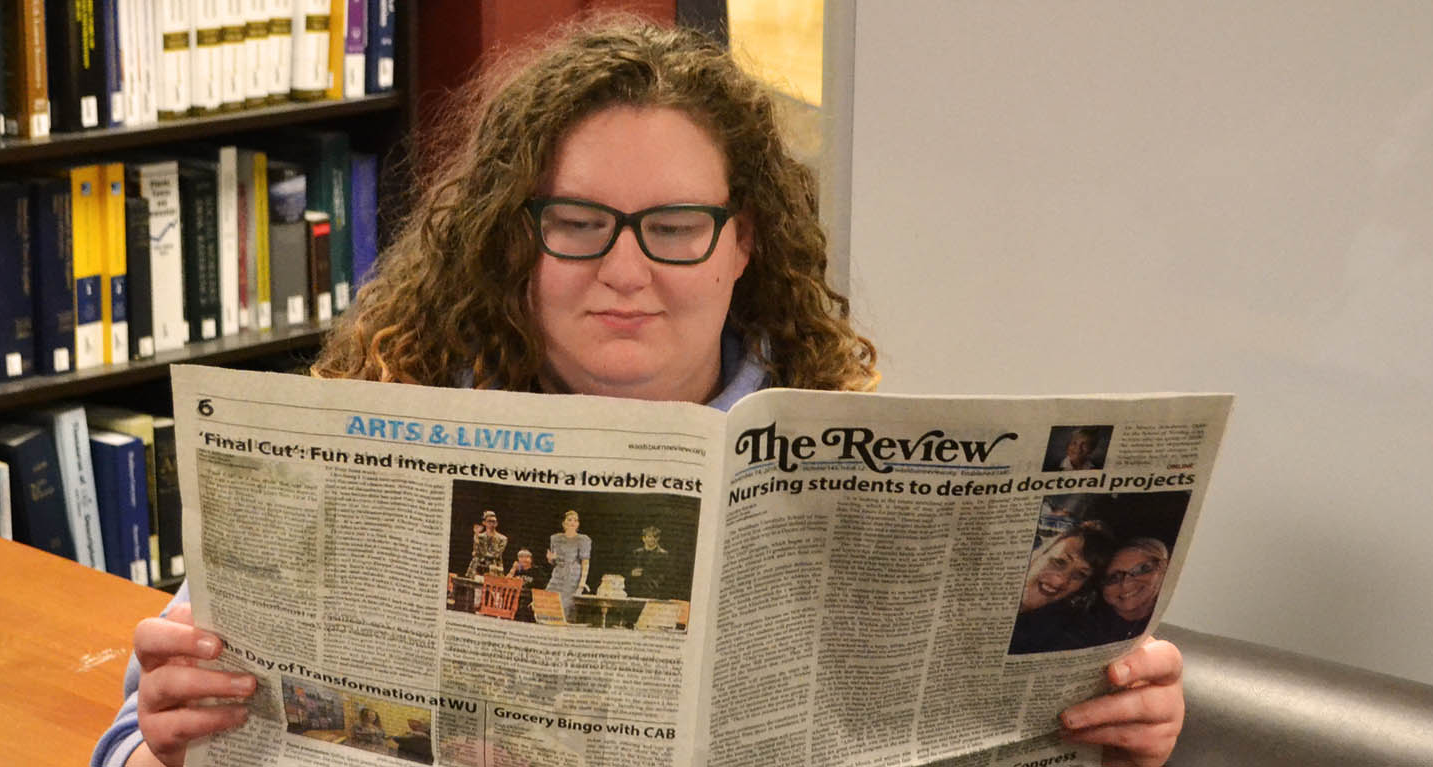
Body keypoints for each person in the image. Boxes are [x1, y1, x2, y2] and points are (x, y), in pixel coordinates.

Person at [103, 18, 1184, 767]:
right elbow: (132, 732)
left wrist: (1117, 728)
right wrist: (163, 736)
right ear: (514, 240)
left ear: (741, 243)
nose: (624, 269)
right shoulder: (389, 413)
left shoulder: (845, 447)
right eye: (578, 221)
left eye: (673, 225)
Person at [1009, 521, 1117, 654]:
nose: (1060, 581)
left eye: (1080, 575)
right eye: (1059, 562)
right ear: (1039, 553)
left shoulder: (1057, 633)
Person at [1067, 538, 1170, 648]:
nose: (1126, 584)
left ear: (1162, 568)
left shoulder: (1171, 619)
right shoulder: (1082, 627)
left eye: (1141, 569)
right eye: (1113, 578)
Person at [546, 510, 593, 620]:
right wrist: (551, 559)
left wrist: (581, 584)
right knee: (549, 605)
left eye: (576, 520)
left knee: (565, 609)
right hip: (557, 575)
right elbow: (554, 561)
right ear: (563, 523)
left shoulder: (583, 540)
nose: (573, 522)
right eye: (570, 520)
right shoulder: (555, 538)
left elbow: (585, 563)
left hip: (572, 577)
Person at [625, 525, 675, 599]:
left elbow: (666, 575)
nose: (652, 539)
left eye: (655, 537)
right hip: (635, 592)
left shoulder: (664, 555)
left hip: (654, 593)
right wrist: (631, 573)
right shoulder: (636, 553)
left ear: (658, 539)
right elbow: (627, 571)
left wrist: (654, 584)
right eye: (649, 536)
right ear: (643, 538)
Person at [465, 509, 509, 577]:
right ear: (484, 522)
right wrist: (476, 536)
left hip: (494, 566)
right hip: (478, 565)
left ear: (496, 523)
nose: (491, 524)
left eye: (493, 521)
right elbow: (475, 552)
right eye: (489, 521)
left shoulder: (503, 538)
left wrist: (482, 553)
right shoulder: (479, 536)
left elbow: (496, 554)